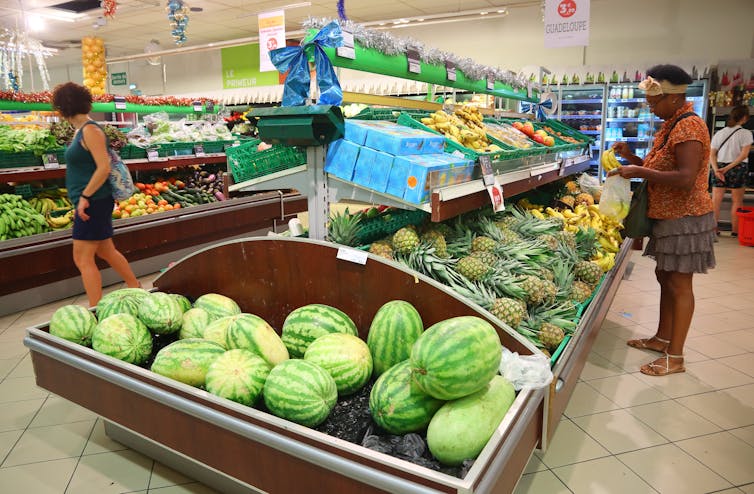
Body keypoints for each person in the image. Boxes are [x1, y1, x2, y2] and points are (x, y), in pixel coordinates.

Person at [610, 65, 715, 376]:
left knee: (680, 284)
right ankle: (662, 338)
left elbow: (684, 177)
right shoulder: (671, 125)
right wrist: (631, 158)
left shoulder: (689, 127)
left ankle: (675, 357)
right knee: (665, 278)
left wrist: (640, 172)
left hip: (686, 218)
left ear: (673, 97)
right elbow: (661, 168)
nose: (650, 107)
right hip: (667, 216)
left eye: (654, 102)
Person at [52, 82, 140, 306]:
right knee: (106, 251)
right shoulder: (82, 130)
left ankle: (95, 307)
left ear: (62, 107)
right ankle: (136, 288)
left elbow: (103, 167)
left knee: (82, 258)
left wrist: (84, 198)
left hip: (93, 201)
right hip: (94, 200)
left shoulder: (90, 130)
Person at [710, 105, 752, 237]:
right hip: (737, 168)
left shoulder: (719, 133)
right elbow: (744, 155)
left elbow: (711, 154)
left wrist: (717, 170)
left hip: (719, 166)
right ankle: (735, 231)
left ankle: (713, 230)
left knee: (715, 201)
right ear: (744, 118)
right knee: (737, 201)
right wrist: (728, 168)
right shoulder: (746, 133)